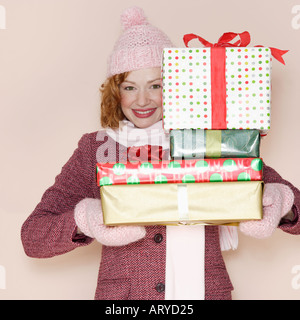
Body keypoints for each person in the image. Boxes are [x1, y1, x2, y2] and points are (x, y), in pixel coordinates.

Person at [21, 6, 300, 300]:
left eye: (156, 85)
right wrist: (86, 218)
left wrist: (282, 202)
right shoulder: (96, 148)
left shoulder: (211, 138)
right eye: (130, 86)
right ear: (116, 92)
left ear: (180, 86)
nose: (143, 100)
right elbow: (33, 238)